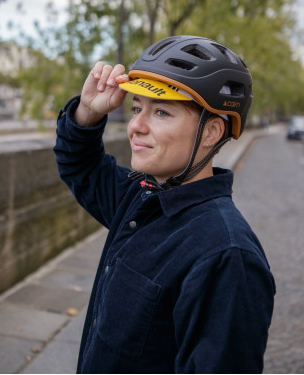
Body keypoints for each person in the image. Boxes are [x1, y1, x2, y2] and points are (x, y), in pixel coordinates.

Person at [54, 35, 275, 374]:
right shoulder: (139, 197)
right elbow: (80, 165)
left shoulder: (227, 257)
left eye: (160, 112)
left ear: (212, 132)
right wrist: (87, 111)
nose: (135, 127)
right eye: (137, 108)